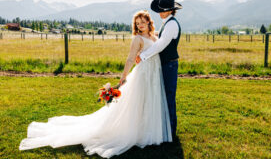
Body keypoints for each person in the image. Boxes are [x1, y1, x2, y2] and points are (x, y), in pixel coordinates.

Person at [19, 10, 172, 158]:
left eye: (143, 22)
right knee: (138, 103)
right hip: (143, 74)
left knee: (150, 101)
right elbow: (130, 58)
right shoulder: (137, 39)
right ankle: (136, 132)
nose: (140, 25)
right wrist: (123, 77)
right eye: (137, 23)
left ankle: (148, 131)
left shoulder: (154, 36)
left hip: (154, 74)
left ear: (149, 22)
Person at [136, 0, 182, 138]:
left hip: (169, 65)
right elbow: (160, 38)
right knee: (163, 96)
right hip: (165, 64)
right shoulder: (166, 23)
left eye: (164, 10)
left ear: (171, 10)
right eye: (160, 10)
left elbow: (161, 44)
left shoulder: (172, 24)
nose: (161, 12)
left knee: (168, 96)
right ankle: (165, 129)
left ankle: (171, 131)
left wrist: (143, 56)